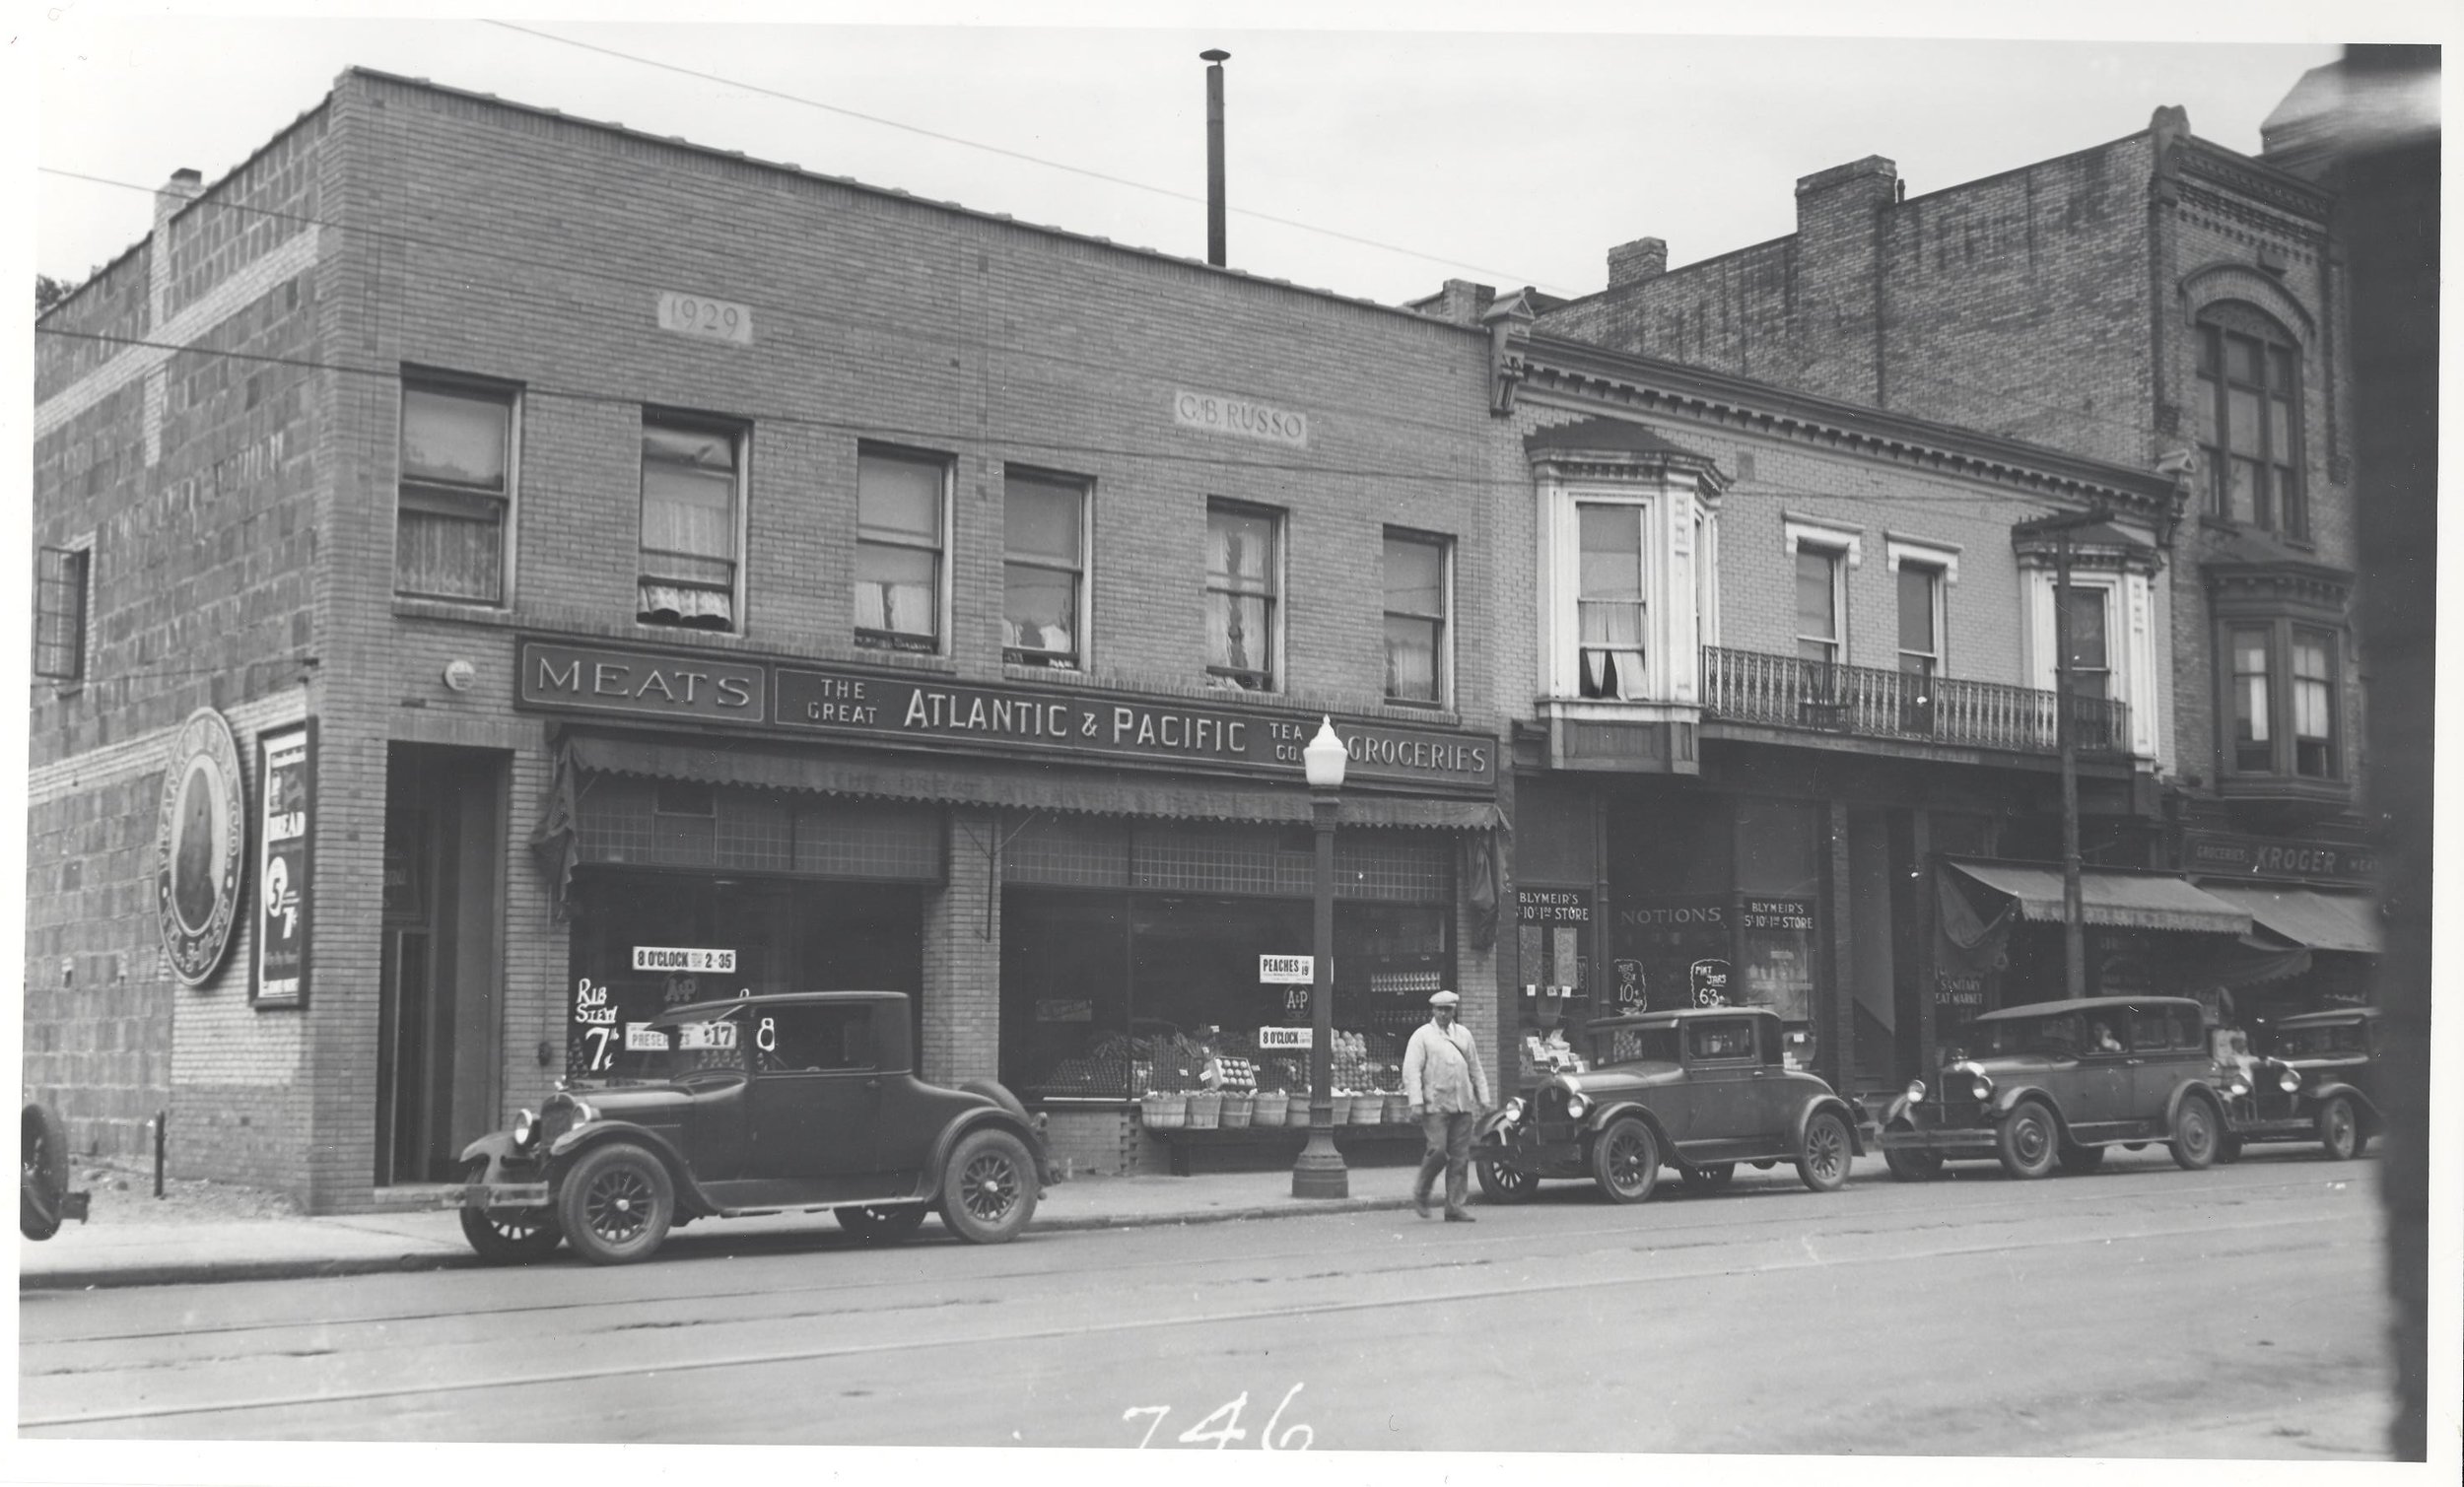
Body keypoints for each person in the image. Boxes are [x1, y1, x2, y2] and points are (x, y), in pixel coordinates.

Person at [1403, 989, 1491, 1222]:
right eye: (1440, 1009)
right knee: (1439, 1150)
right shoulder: (1422, 1036)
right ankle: (1421, 1191)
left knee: (1460, 1158)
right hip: (1435, 1105)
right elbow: (1411, 1071)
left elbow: (1475, 1067)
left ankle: (1454, 1205)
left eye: (1448, 1010)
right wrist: (1416, 1102)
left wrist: (1484, 1097)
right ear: (1432, 1010)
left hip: (1462, 1104)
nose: (1444, 1014)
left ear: (1454, 1010)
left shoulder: (1463, 1035)